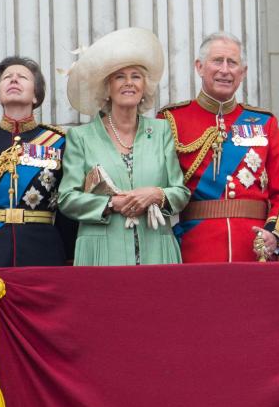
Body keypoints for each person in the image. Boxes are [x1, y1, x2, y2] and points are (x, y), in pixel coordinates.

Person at [158, 32, 279, 262]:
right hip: (196, 249)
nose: (225, 70)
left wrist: (275, 234)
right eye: (217, 61)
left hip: (255, 249)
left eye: (232, 63)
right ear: (200, 67)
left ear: (242, 73)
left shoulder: (264, 122)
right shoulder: (171, 119)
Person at [59, 27, 190, 265]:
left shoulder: (161, 131)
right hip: (101, 253)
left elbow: (180, 193)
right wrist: (111, 203)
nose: (128, 83)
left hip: (156, 250)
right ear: (106, 88)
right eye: (119, 76)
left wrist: (156, 194)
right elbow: (67, 198)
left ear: (144, 88)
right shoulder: (81, 137)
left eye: (136, 76)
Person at [0, 56, 75, 267]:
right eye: (7, 78)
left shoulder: (60, 142)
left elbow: (68, 206)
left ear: (36, 95)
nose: (14, 80)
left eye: (22, 77)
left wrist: (68, 253)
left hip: (44, 248)